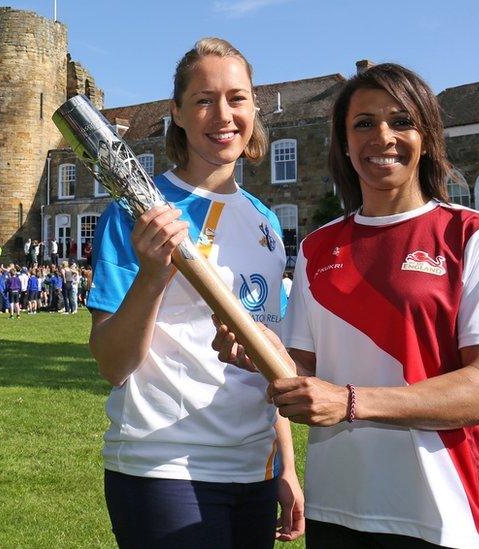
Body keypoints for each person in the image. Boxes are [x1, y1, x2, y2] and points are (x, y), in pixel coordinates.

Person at [212, 63, 479, 548]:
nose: (382, 136)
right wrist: (255, 351)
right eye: (363, 123)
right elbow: (300, 367)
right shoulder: (318, 248)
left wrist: (349, 403)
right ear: (344, 142)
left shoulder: (473, 237)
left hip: (440, 513)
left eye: (401, 121)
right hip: (337, 507)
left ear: (426, 135)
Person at [88, 38, 302, 548]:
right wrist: (152, 275)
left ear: (254, 107)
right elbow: (112, 363)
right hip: (164, 464)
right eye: (204, 100)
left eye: (237, 98)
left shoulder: (266, 221)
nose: (222, 114)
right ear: (177, 114)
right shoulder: (138, 213)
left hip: (254, 470)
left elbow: (265, 347)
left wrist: (286, 465)